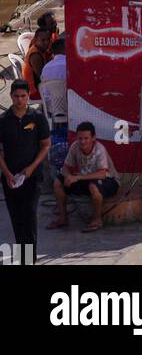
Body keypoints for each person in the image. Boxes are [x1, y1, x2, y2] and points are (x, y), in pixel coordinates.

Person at [0, 79, 51, 262]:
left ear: (28, 96)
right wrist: (6, 173)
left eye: (23, 96)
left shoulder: (37, 118)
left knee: (29, 216)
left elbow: (45, 145)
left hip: (32, 177)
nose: (20, 100)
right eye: (16, 96)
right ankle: (23, 258)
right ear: (11, 97)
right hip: (10, 178)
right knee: (17, 218)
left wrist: (31, 168)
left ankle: (29, 259)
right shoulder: (4, 120)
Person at [50, 121, 119, 233]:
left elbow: (102, 174)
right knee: (58, 182)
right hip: (85, 179)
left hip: (109, 180)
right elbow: (65, 168)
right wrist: (68, 176)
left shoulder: (99, 149)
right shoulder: (75, 146)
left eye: (86, 138)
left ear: (93, 138)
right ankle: (63, 218)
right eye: (80, 138)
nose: (82, 141)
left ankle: (97, 220)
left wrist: (78, 177)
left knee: (93, 185)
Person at [39, 36, 69, 173]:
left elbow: (44, 93)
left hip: (51, 109)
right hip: (69, 109)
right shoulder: (69, 65)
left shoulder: (46, 68)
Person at [22, 26, 53, 101]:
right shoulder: (35, 56)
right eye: (43, 40)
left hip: (39, 85)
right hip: (34, 91)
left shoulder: (42, 49)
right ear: (35, 40)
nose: (46, 42)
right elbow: (43, 78)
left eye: (48, 39)